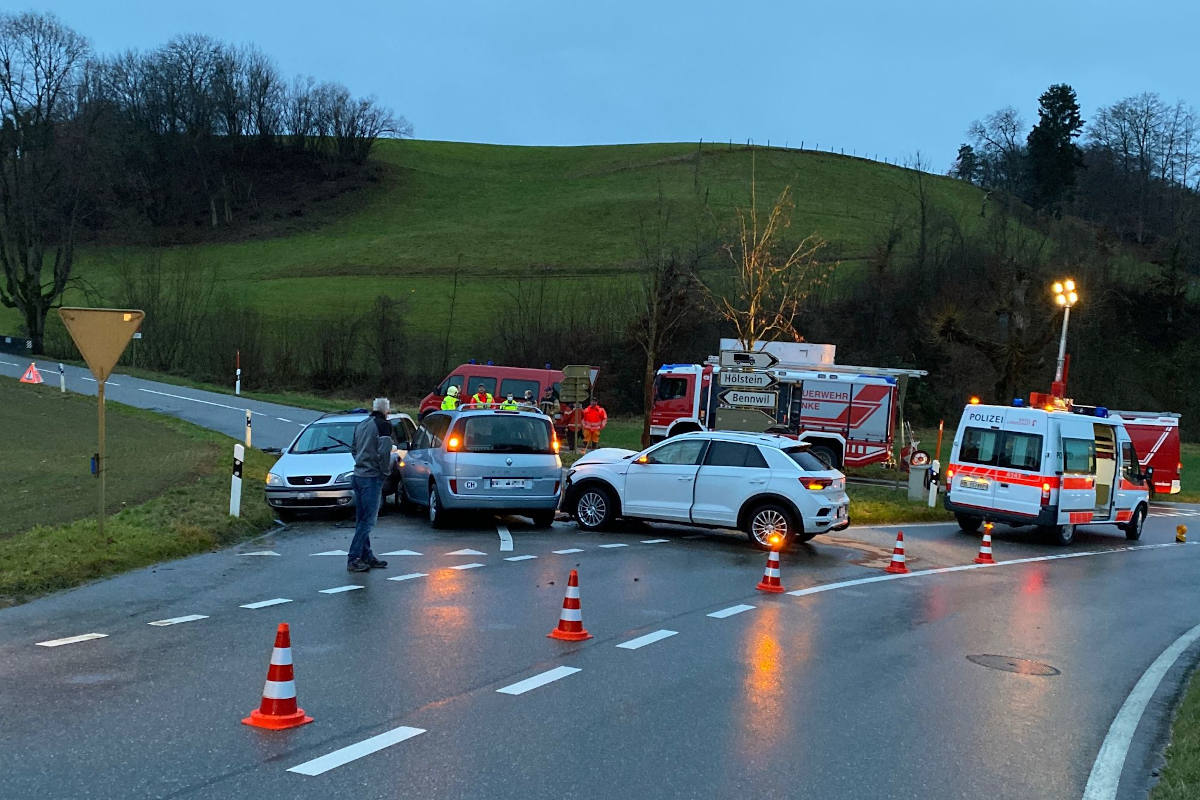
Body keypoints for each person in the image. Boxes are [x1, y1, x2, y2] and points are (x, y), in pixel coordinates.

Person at [348, 398, 392, 572]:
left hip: (358, 475)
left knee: (361, 518)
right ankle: (354, 557)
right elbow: (385, 451)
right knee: (368, 521)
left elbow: (353, 449)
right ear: (386, 411)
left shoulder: (361, 424)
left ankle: (367, 555)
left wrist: (361, 462)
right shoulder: (384, 426)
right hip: (372, 477)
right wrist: (384, 471)